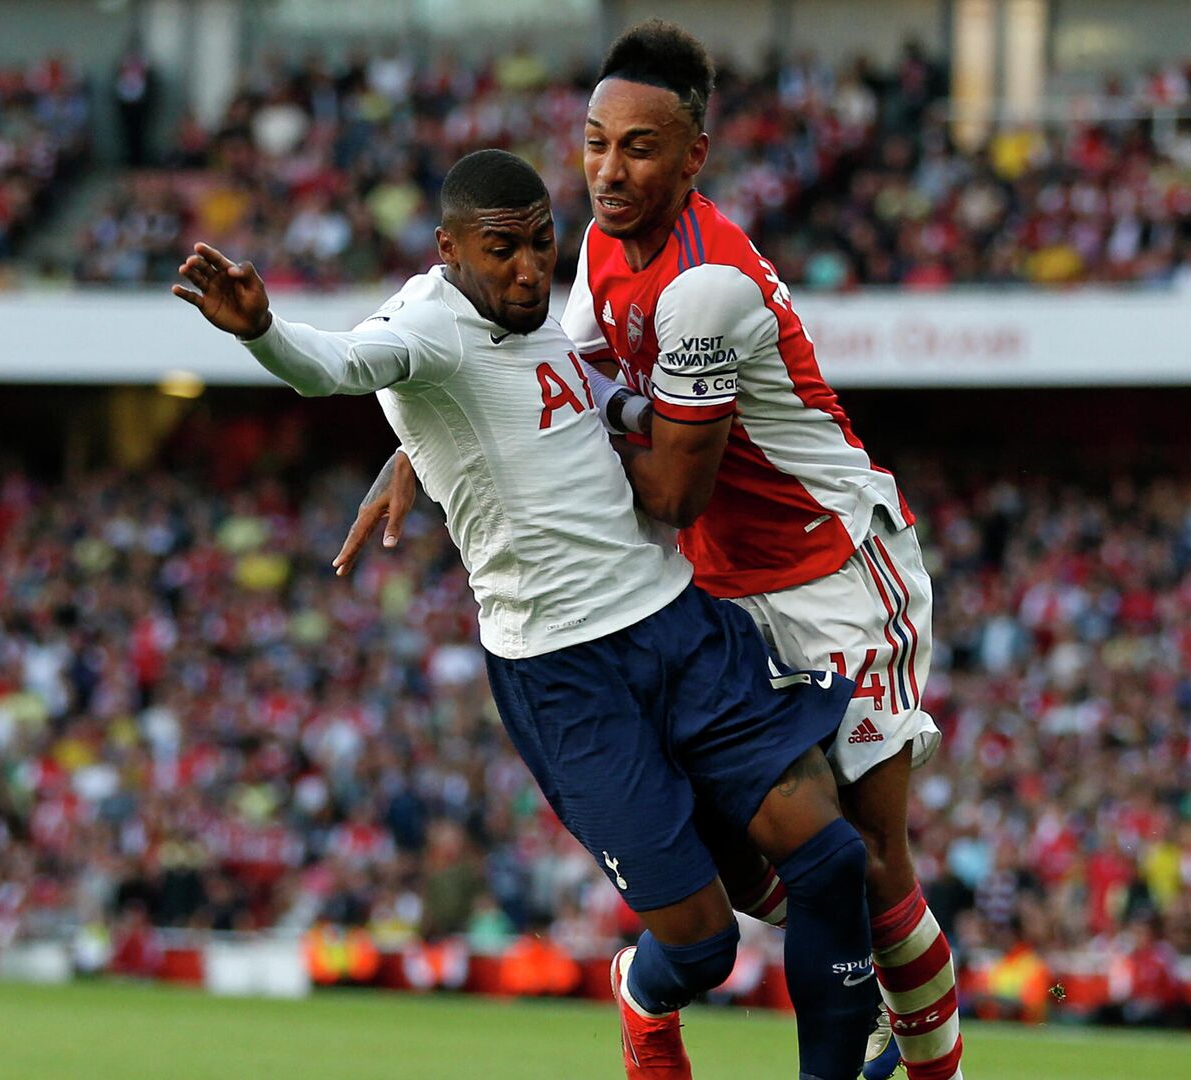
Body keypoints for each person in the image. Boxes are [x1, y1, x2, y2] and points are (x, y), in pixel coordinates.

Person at [174, 148, 879, 1080]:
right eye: (501, 250)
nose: (526, 269)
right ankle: (641, 993)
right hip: (566, 676)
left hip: (675, 621)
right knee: (703, 948)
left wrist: (420, 460)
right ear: (451, 249)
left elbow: (553, 402)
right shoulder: (424, 324)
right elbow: (338, 367)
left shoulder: (538, 314)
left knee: (831, 860)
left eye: (541, 245)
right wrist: (263, 332)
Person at [339, 23, 959, 1080]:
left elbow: (670, 489)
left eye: (638, 147)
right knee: (757, 865)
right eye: (594, 143)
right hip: (716, 584)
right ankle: (692, 996)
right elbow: (555, 378)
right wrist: (419, 445)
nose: (608, 170)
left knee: (864, 856)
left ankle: (924, 1070)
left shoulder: (706, 285)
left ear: (692, 157)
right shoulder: (591, 250)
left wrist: (533, 475)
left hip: (830, 571)